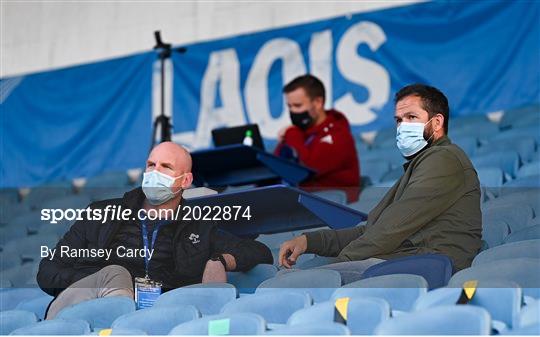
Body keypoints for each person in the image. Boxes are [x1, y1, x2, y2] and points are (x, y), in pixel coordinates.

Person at [38, 142, 273, 319]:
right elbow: (48, 271)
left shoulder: (199, 226)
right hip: (85, 306)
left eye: (166, 167)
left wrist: (221, 260)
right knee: (115, 273)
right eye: (151, 165)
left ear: (185, 180)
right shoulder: (101, 214)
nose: (154, 172)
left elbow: (260, 252)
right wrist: (99, 283)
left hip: (153, 318)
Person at [278, 84, 482, 281]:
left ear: (437, 123)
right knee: (294, 280)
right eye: (399, 120)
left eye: (411, 117)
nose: (403, 126)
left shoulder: (443, 160)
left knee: (300, 282)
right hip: (408, 260)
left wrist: (334, 268)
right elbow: (373, 230)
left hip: (430, 266)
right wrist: (309, 241)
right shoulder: (422, 164)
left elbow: (390, 230)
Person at [274, 74, 360, 202]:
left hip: (337, 209)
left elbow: (309, 168)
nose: (292, 111)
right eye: (289, 106)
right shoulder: (299, 133)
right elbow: (275, 167)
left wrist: (292, 132)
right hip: (303, 205)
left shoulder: (338, 135)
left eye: (297, 106)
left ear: (318, 102)